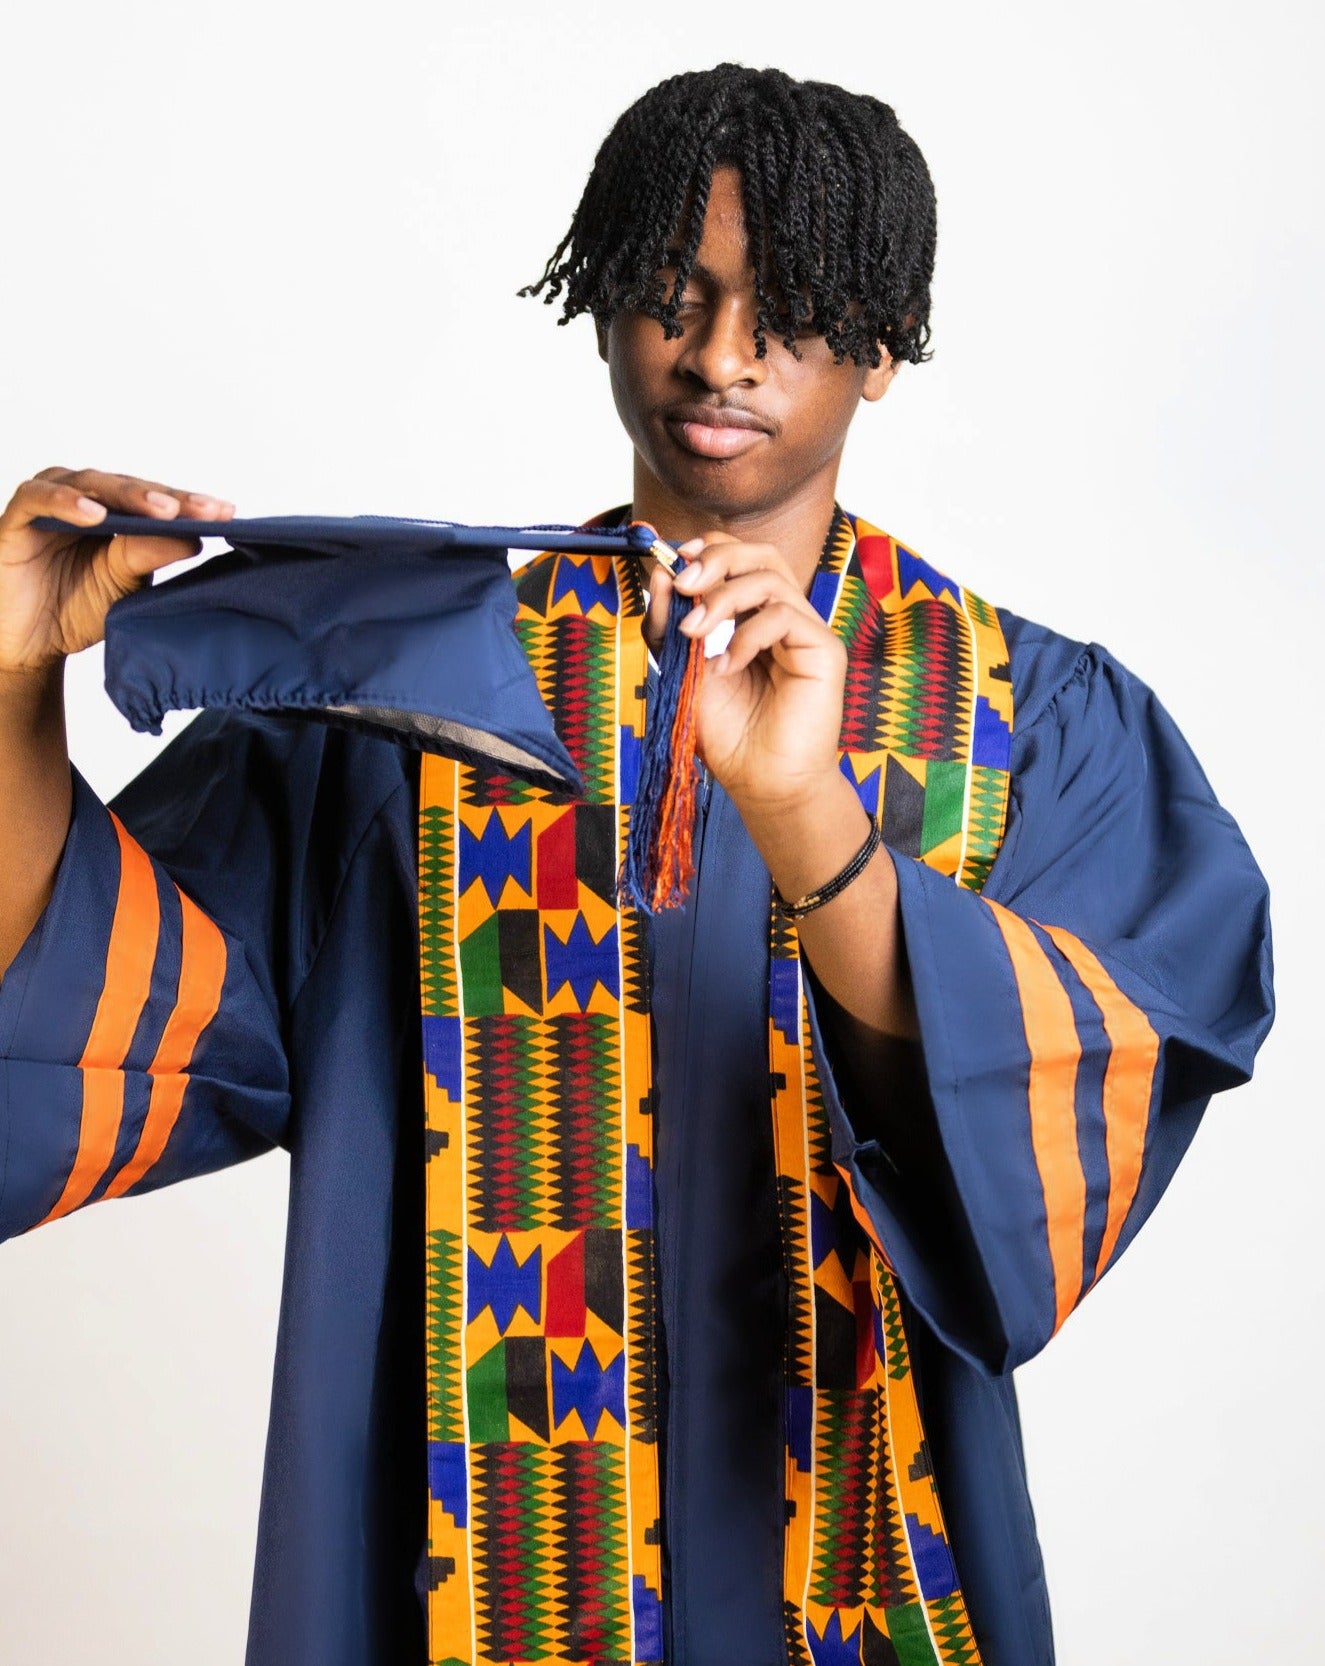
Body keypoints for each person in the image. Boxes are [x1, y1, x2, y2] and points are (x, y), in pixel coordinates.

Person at [0, 63, 1272, 1666]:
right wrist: (8, 686)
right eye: (670, 293)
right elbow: (70, 1002)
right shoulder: (412, 701)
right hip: (476, 1592)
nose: (719, 353)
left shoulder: (1030, 723)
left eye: (788, 308)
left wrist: (809, 814)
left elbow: (1072, 1123)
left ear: (880, 351)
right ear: (602, 304)